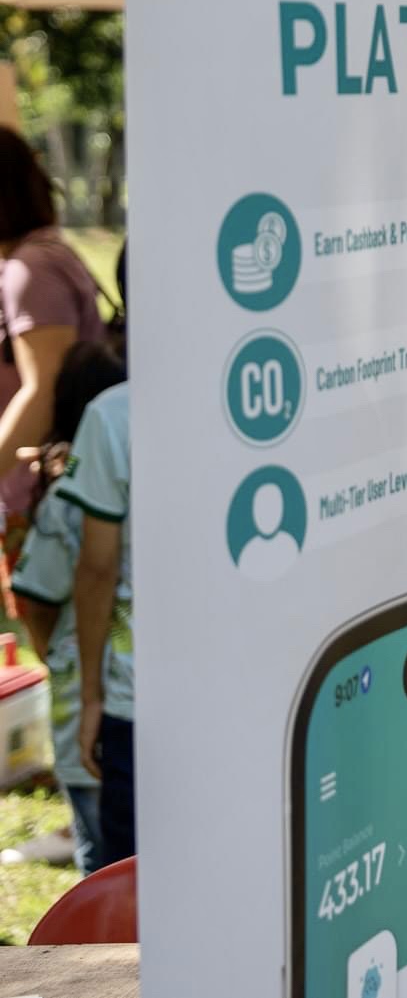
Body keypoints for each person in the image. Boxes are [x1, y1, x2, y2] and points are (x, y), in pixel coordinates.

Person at [12, 327, 127, 873]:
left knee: (103, 870)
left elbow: (33, 593)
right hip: (105, 708)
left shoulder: (62, 504)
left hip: (95, 708)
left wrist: (58, 654)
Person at [0, 129, 108, 613]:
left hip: (48, 496)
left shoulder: (30, 270)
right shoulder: (46, 252)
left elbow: (44, 391)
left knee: (63, 649)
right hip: (58, 485)